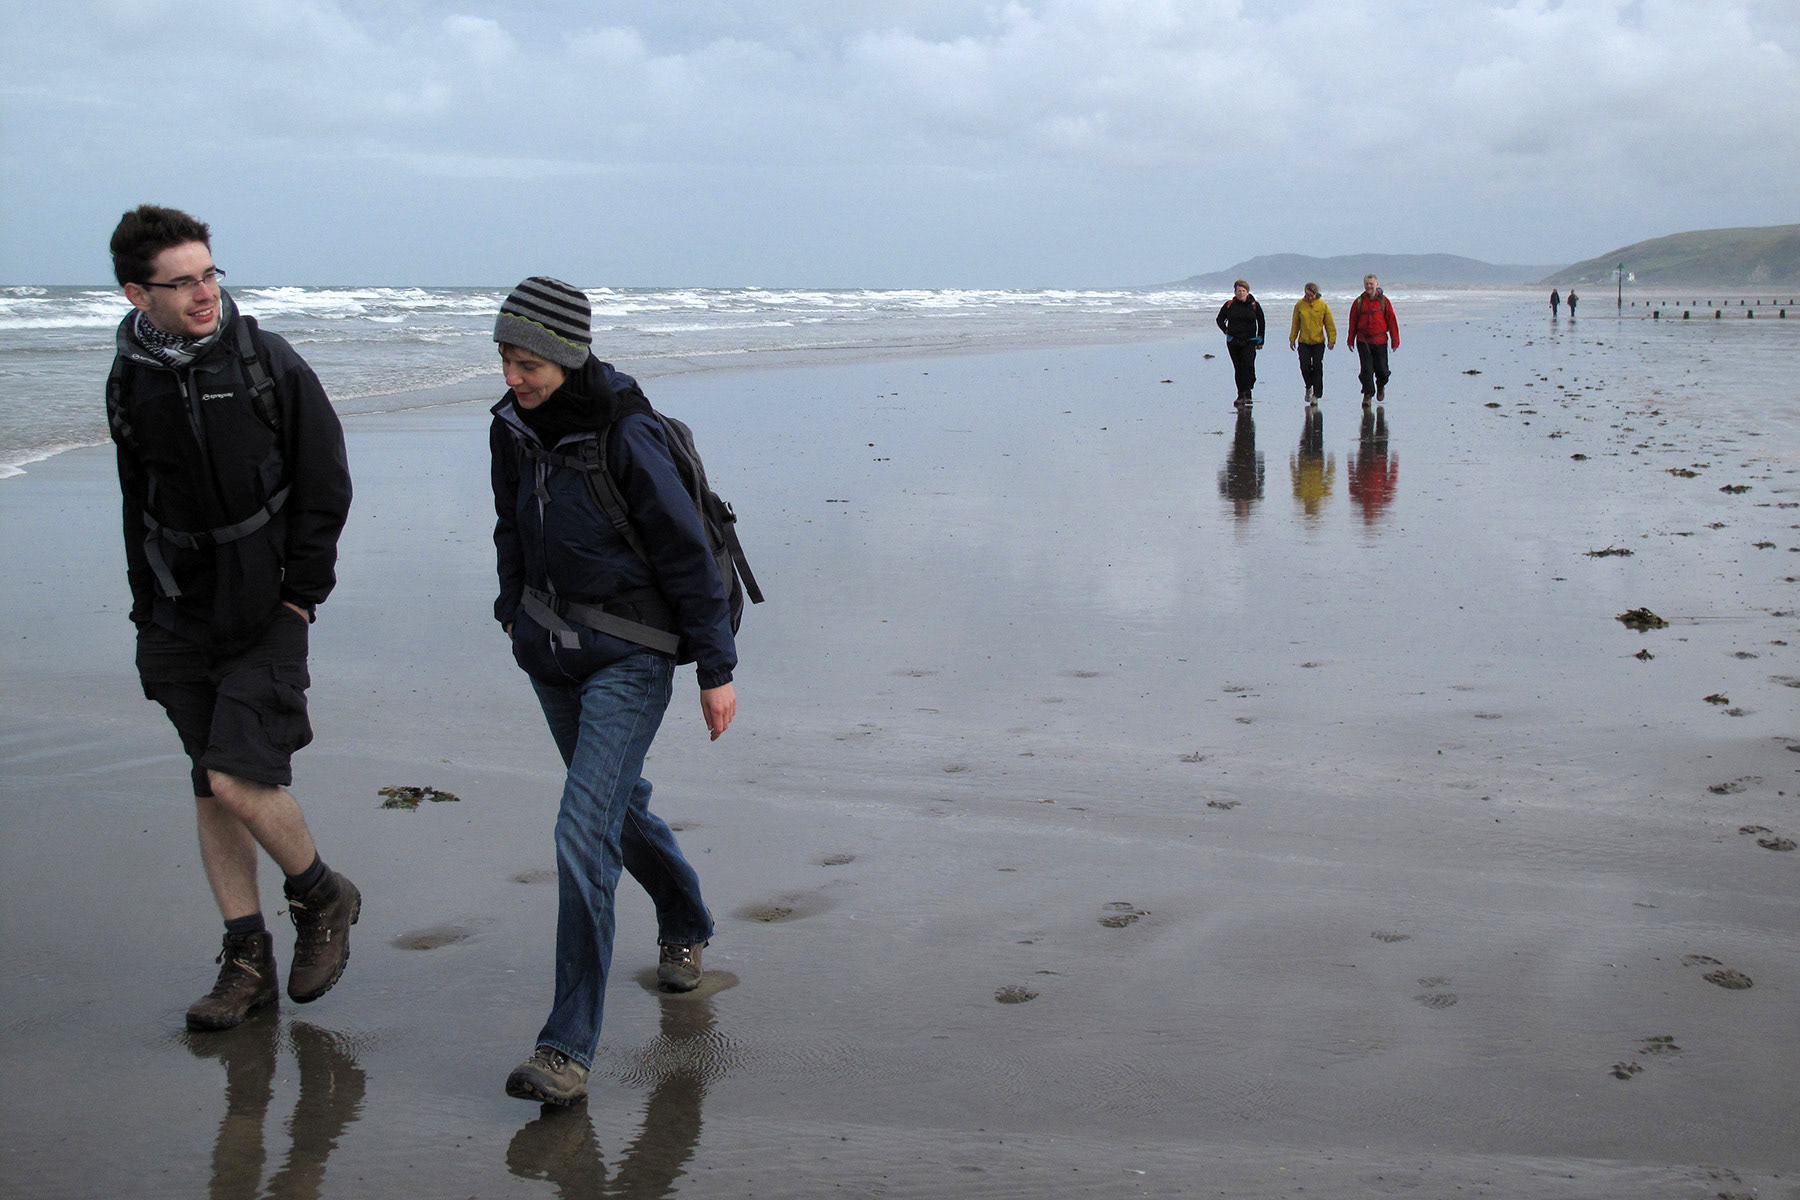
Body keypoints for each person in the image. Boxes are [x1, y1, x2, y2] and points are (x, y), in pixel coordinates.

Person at [106, 205, 358, 1033]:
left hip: (267, 605)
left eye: (210, 273)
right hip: (179, 612)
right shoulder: (130, 376)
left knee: (235, 776)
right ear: (138, 293)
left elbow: (327, 478)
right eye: (182, 282)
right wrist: (147, 607)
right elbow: (135, 496)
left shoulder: (264, 361)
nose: (205, 292)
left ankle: (323, 893)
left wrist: (300, 594)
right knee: (209, 785)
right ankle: (246, 958)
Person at [489, 277, 737, 1107]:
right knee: (615, 811)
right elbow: (509, 523)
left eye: (527, 363)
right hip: (548, 650)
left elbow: (687, 554)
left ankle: (565, 1049)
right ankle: (685, 919)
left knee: (580, 832)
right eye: (505, 359)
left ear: (565, 355)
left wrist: (715, 668)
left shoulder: (628, 433)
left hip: (632, 655)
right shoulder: (511, 429)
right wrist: (510, 610)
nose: (513, 376)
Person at [1345, 274, 1400, 406]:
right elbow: (1353, 321)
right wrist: (1350, 340)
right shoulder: (1358, 302)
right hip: (1363, 340)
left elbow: (1392, 321)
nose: (1369, 286)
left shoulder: (1384, 301)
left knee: (1383, 371)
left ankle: (1381, 385)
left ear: (1377, 284)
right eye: (1367, 284)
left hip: (1380, 341)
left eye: (1371, 283)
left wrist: (1395, 340)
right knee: (1366, 370)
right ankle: (1368, 395)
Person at [1215, 280, 1266, 404]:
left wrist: (1261, 339)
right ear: (1235, 292)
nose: (1241, 293)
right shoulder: (1229, 305)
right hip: (1233, 341)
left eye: (1243, 291)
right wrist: (1225, 330)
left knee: (1248, 366)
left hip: (1250, 341)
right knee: (1238, 368)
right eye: (1239, 291)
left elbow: (1261, 322)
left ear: (1247, 292)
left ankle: (1248, 390)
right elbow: (1219, 319)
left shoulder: (1254, 305)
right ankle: (1241, 394)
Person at [1287, 283, 1336, 403]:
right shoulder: (1299, 305)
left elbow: (1329, 324)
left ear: (1316, 294)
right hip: (1304, 342)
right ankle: (1308, 386)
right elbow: (1295, 323)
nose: (1310, 298)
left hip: (1318, 342)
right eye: (1307, 295)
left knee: (1317, 367)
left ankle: (1316, 395)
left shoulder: (1322, 305)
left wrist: (1332, 340)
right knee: (1305, 367)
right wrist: (1292, 338)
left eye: (1312, 295)